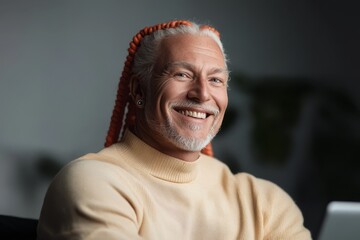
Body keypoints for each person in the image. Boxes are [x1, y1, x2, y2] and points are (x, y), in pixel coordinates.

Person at [37, 20, 312, 239]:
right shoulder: (93, 182)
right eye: (182, 74)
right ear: (138, 89)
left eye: (216, 80)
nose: (202, 94)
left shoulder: (265, 204)